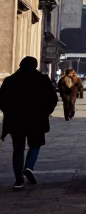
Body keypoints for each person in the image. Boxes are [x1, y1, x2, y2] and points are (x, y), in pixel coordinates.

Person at [0, 57, 58, 190]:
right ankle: (29, 166)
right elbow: (52, 99)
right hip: (36, 120)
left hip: (16, 121)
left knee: (18, 149)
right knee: (35, 144)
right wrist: (45, 112)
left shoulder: (10, 80)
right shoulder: (42, 80)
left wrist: (9, 112)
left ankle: (18, 180)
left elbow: (2, 100)